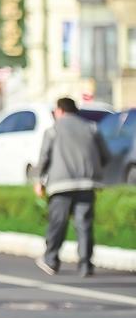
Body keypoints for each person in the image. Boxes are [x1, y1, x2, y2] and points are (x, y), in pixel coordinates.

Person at [34, 97, 109, 277]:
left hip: (61, 185)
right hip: (87, 184)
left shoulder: (53, 131)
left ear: (59, 110)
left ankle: (51, 259)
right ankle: (85, 264)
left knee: (57, 223)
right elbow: (105, 156)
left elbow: (44, 158)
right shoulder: (92, 128)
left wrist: (38, 181)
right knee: (84, 225)